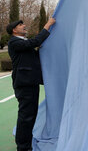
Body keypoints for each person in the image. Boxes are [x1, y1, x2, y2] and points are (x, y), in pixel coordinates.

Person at [7, 18, 56, 151]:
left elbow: (35, 52)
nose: (24, 26)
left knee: (30, 115)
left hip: (31, 82)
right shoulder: (14, 42)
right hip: (24, 84)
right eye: (20, 25)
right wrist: (47, 26)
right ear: (14, 30)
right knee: (26, 116)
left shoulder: (22, 43)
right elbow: (34, 42)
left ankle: (25, 143)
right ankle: (23, 147)